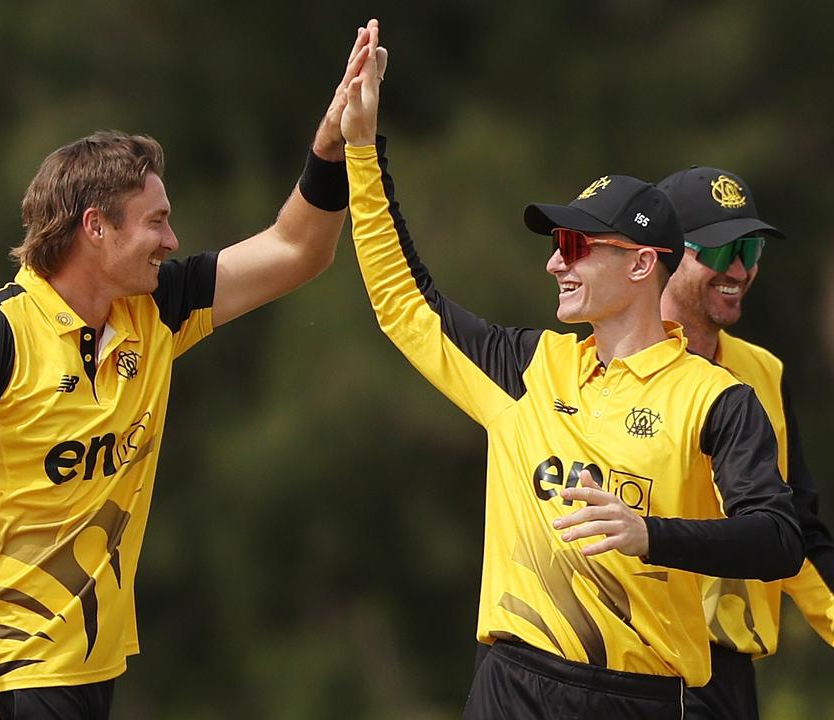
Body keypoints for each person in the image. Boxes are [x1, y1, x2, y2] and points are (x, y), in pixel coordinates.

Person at [0, 22, 386, 720]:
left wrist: (332, 144)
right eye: (156, 222)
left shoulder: (154, 309)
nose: (172, 240)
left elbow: (297, 251)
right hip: (2, 679)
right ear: (95, 227)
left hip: (89, 671)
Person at [338, 40, 804, 718]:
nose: (556, 264)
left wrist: (650, 533)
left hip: (641, 698)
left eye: (577, 247)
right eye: (557, 246)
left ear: (643, 265)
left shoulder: (717, 399)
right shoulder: (530, 368)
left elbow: (779, 539)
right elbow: (404, 302)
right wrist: (361, 147)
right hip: (513, 684)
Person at [658, 165, 834, 719]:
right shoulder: (597, 367)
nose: (738, 268)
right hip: (633, 670)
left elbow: (798, 534)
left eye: (750, 248)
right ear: (661, 254)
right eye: (716, 251)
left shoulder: (765, 373)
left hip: (729, 681)